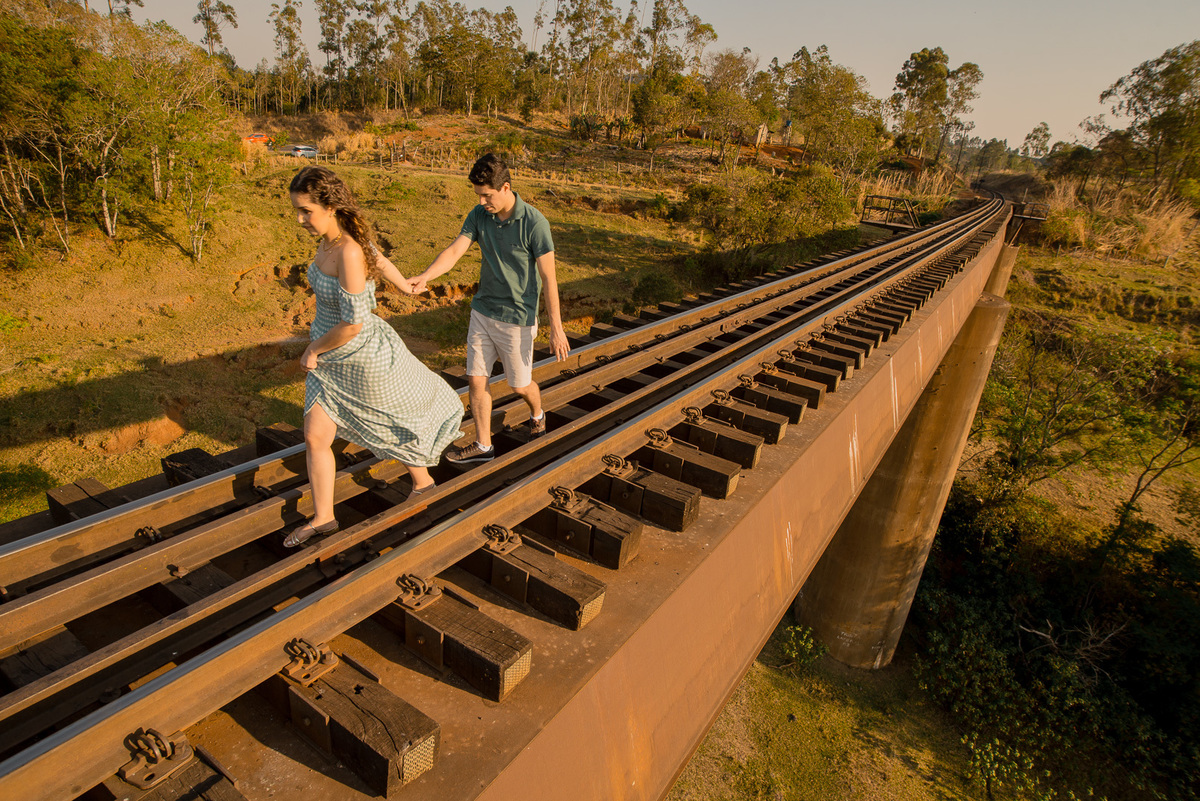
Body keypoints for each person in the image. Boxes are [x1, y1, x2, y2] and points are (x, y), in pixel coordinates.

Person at [284, 165, 463, 547]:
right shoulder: (337, 241)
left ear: (329, 207)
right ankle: (324, 518)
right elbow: (378, 258)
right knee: (316, 435)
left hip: (356, 356)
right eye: (297, 211)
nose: (300, 219)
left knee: (389, 422)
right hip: (329, 355)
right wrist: (407, 284)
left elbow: (353, 324)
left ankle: (423, 483)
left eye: (306, 211)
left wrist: (312, 349)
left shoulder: (347, 250)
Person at [409, 153, 569, 464]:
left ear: (506, 187)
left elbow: (549, 279)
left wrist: (556, 329)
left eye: (487, 195)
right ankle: (484, 445)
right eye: (478, 195)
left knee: (519, 385)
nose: (482, 202)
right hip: (483, 312)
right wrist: (426, 275)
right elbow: (456, 249)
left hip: (517, 318)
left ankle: (537, 413)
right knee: (476, 379)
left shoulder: (535, 223)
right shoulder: (480, 215)